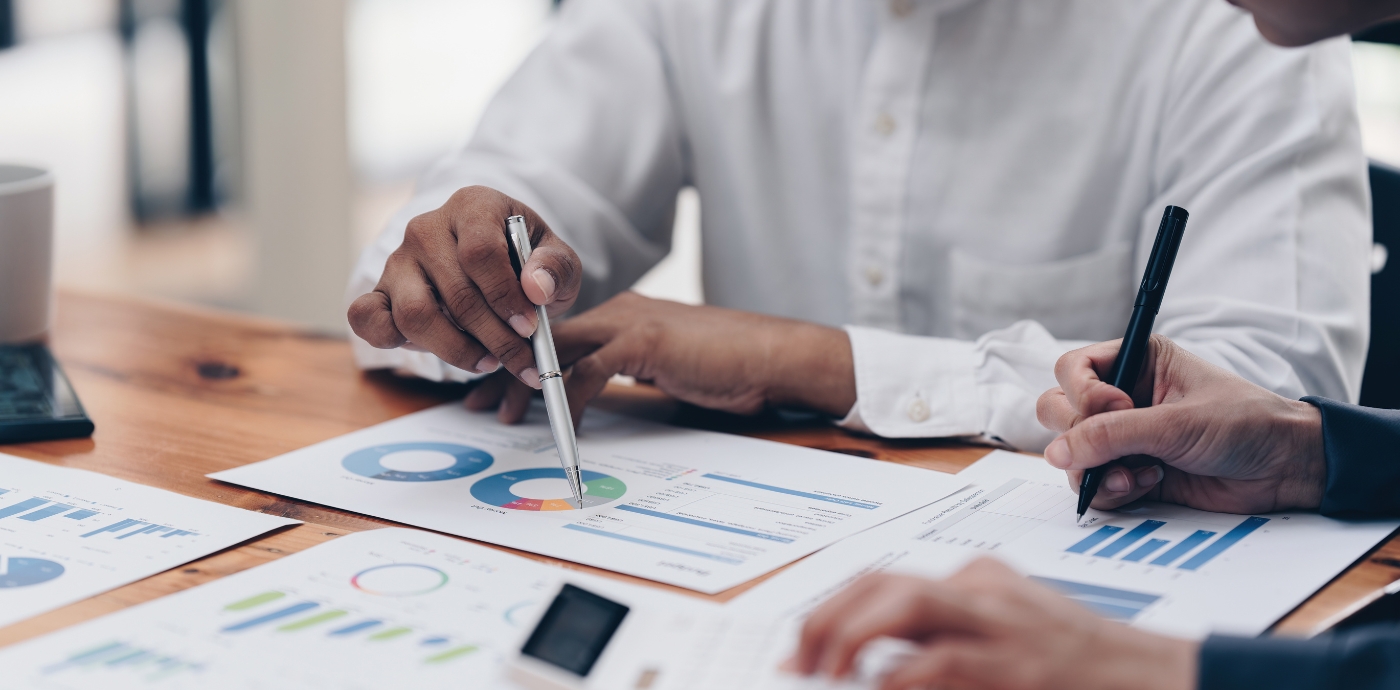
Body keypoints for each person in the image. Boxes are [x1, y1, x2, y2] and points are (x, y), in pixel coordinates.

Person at [347, 0, 1370, 452]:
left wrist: (813, 362)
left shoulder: (1242, 21)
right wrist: (458, 271)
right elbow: (437, 253)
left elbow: (1275, 413)